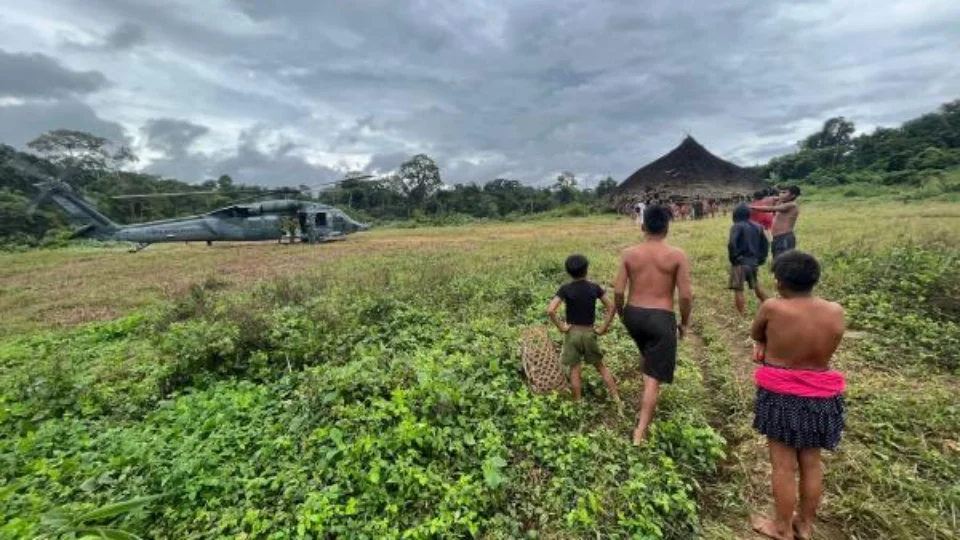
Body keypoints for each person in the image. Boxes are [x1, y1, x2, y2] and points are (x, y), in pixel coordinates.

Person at [749, 251, 846, 540]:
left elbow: (758, 334)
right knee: (812, 463)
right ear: (814, 280)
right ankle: (804, 525)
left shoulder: (772, 308)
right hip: (822, 396)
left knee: (783, 466)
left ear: (779, 282)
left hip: (781, 395)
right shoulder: (835, 311)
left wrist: (764, 346)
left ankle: (781, 527)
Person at [614, 205, 693, 445]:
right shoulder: (677, 255)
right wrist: (684, 323)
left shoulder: (629, 254)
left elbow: (618, 291)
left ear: (643, 225)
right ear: (667, 227)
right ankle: (640, 431)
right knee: (653, 378)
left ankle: (644, 390)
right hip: (661, 316)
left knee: (646, 351)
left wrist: (622, 314)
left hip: (634, 314)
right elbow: (686, 296)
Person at [547, 254, 623, 410]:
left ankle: (578, 401)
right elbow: (611, 307)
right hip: (589, 333)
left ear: (568, 272)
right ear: (586, 270)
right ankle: (617, 399)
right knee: (601, 367)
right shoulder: (594, 287)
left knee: (575, 369)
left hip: (572, 334)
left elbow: (551, 310)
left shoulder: (565, 289)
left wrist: (562, 327)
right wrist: (603, 328)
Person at [729, 204, 769, 314]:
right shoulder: (758, 226)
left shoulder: (737, 226)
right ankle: (769, 306)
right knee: (756, 286)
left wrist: (734, 259)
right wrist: (762, 258)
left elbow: (732, 243)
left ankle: (741, 315)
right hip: (753, 262)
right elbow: (765, 244)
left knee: (738, 290)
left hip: (740, 262)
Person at [752, 186, 801, 260]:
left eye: (784, 192)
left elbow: (771, 209)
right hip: (777, 238)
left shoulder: (792, 205)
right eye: (781, 192)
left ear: (793, 195)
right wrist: (780, 198)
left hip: (784, 237)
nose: (781, 194)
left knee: (784, 262)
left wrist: (752, 207)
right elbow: (772, 200)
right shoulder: (783, 202)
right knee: (777, 261)